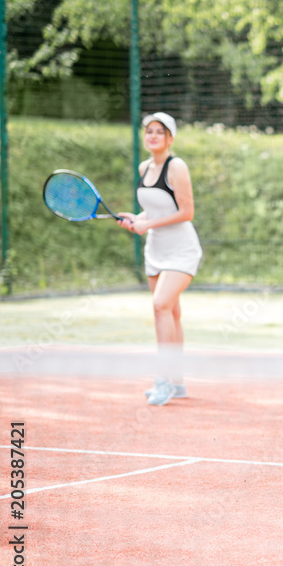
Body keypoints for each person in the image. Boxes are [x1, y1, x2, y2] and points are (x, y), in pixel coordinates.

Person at [117, 112, 203, 407]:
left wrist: (147, 225)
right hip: (155, 251)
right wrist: (136, 219)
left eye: (159, 132)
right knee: (170, 313)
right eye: (149, 131)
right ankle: (177, 382)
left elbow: (186, 212)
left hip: (182, 249)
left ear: (170, 138)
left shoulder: (176, 166)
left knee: (160, 306)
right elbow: (153, 212)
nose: (152, 136)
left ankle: (164, 380)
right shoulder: (144, 167)